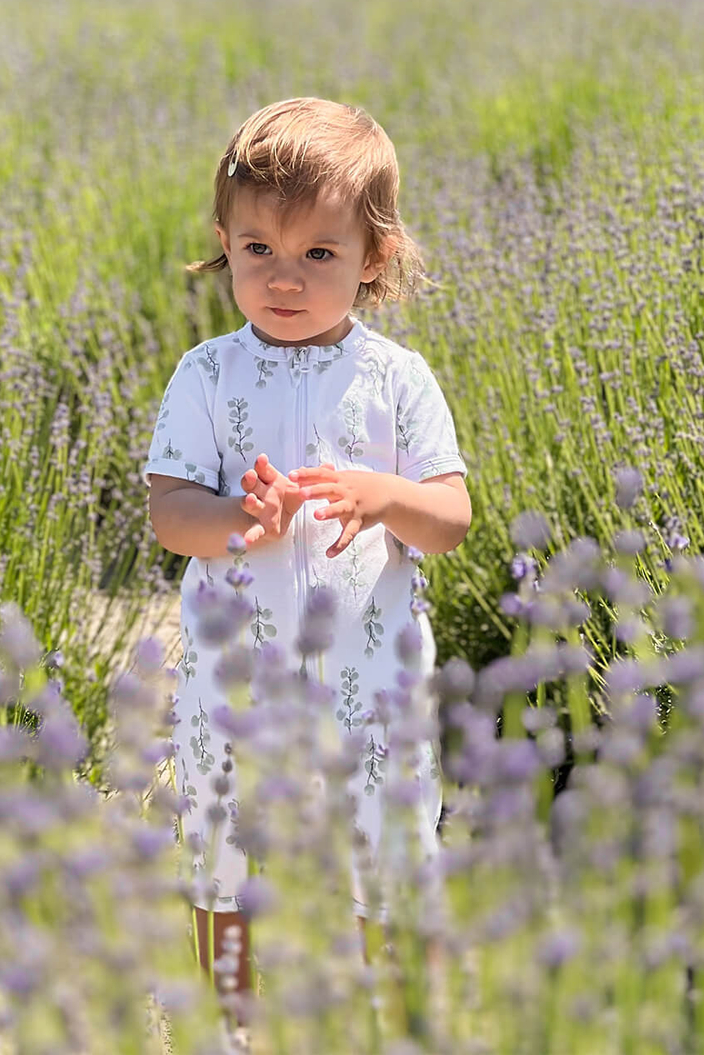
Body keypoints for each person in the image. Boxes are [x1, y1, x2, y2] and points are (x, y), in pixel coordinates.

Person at [142, 96, 471, 1003]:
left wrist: (384, 494)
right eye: (259, 251)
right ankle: (234, 1018)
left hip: (374, 674)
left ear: (376, 257)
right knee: (220, 841)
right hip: (236, 671)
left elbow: (449, 517)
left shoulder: (395, 379)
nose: (283, 279)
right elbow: (171, 511)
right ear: (225, 242)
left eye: (317, 254)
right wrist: (239, 522)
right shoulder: (207, 373)